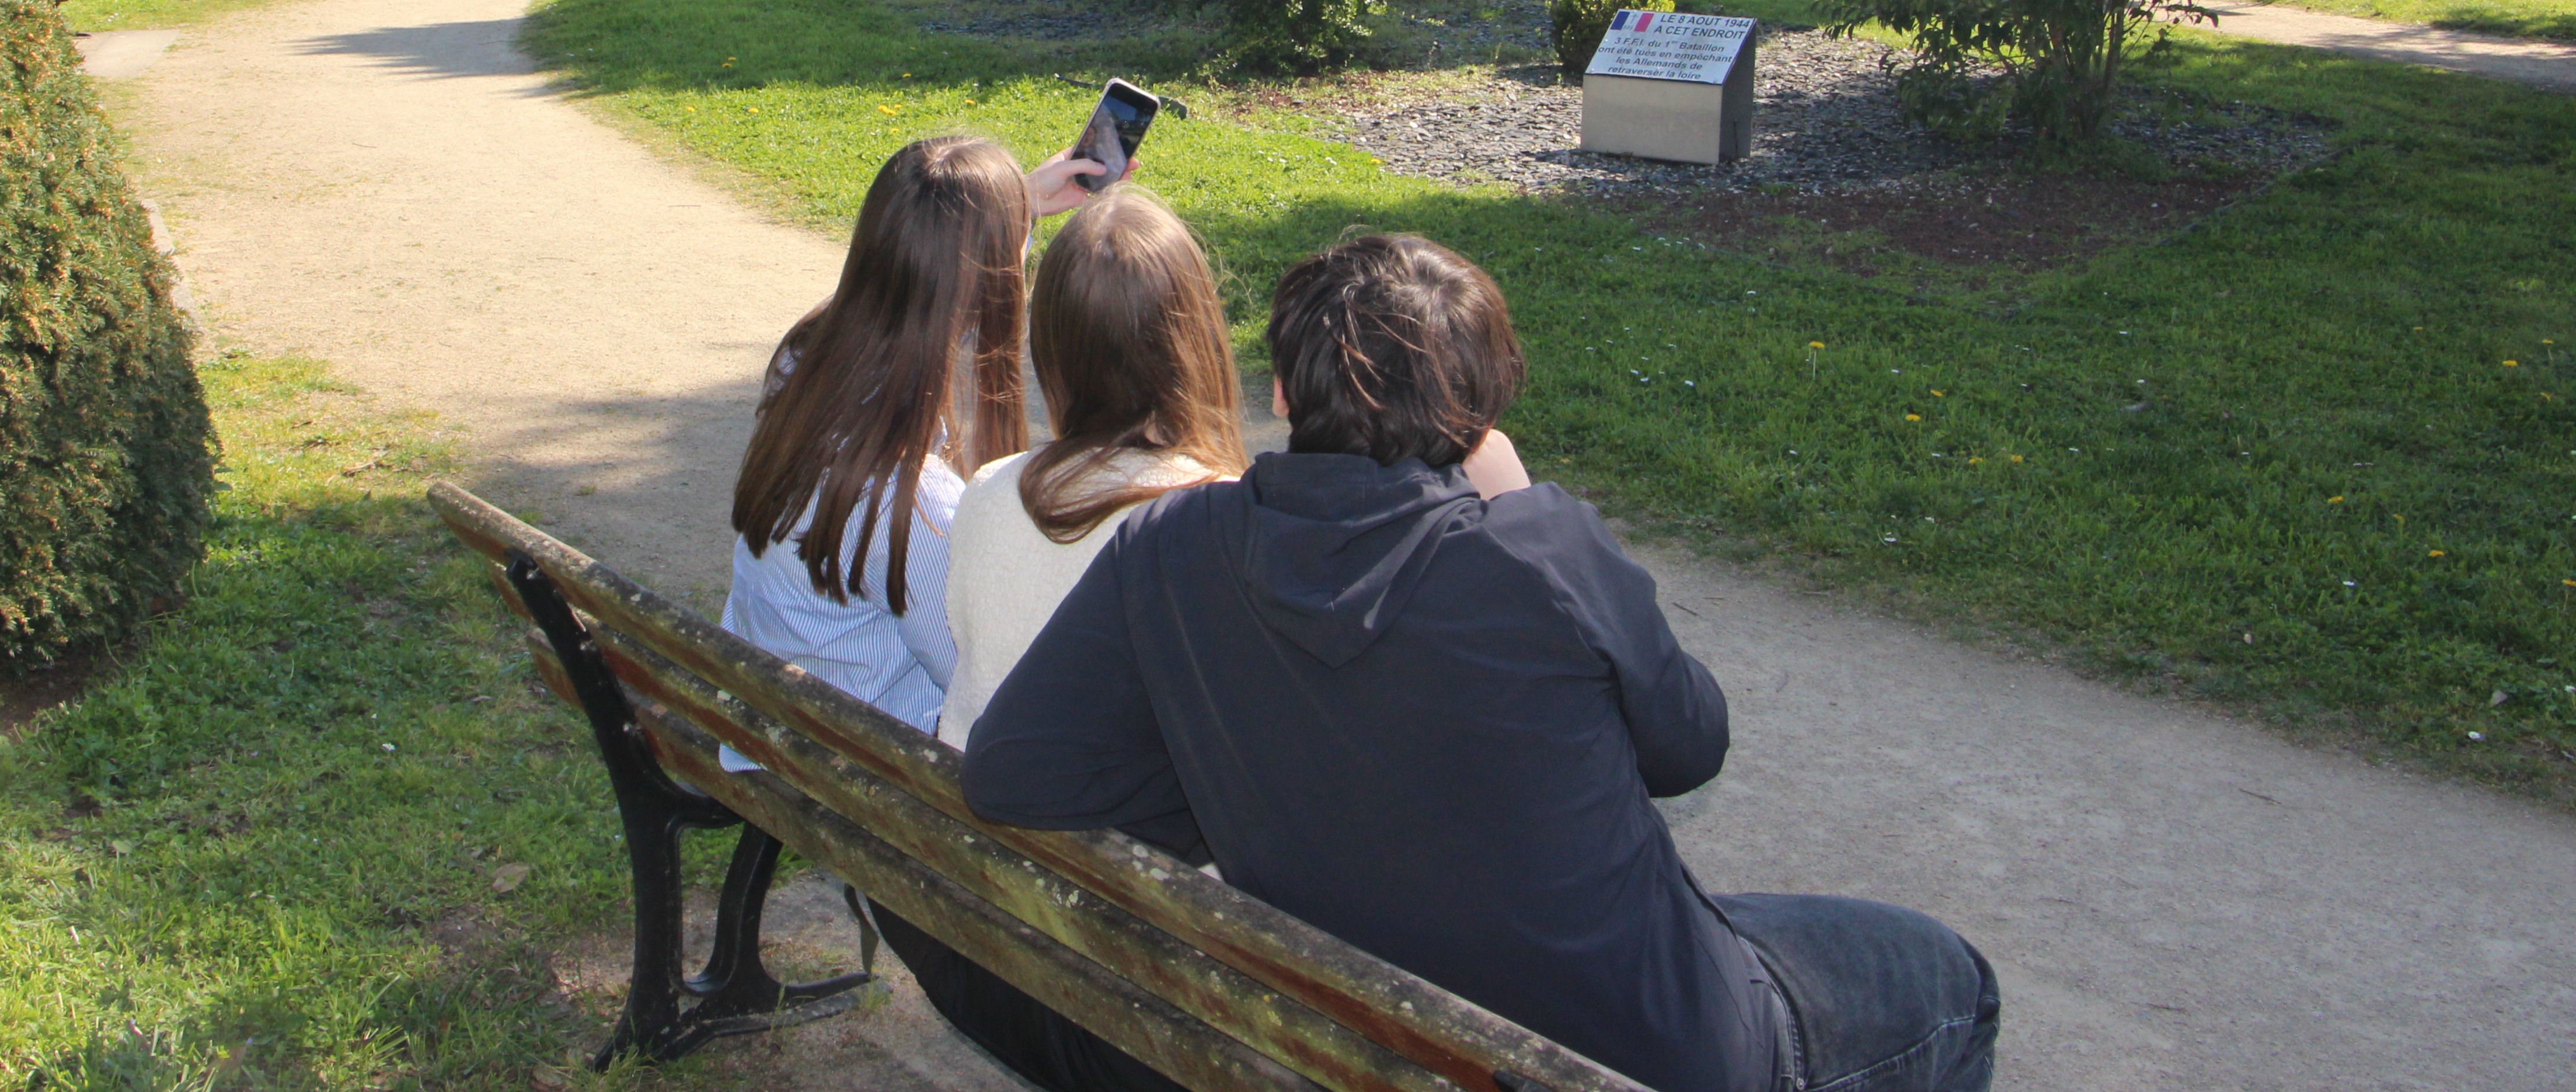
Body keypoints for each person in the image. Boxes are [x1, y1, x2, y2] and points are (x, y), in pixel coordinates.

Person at [961, 234, 2000, 1092]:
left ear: (1280, 392)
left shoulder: (1173, 548)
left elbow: (1014, 772)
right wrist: (1520, 504)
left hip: (1370, 1031)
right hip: (1649, 1048)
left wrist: (1239, 770)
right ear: (1478, 418)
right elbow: (1689, 745)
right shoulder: (1539, 550)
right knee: (1953, 983)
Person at [721, 133, 1176, 1092]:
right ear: (984, 296)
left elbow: (911, 266)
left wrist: (1017, 211)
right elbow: (984, 683)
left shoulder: (805, 361)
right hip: (872, 778)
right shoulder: (912, 507)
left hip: (778, 722)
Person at [937, 186, 1251, 746]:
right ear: (1197, 340)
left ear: (1050, 345)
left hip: (963, 794)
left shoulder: (989, 490)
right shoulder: (1225, 521)